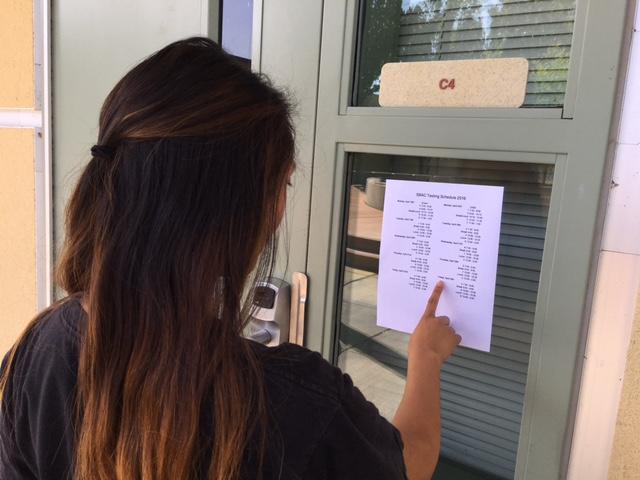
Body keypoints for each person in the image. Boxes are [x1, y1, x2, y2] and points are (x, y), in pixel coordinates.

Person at [0, 37, 460, 480]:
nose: (281, 204)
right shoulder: (297, 406)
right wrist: (425, 356)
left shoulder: (37, 348)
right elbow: (410, 460)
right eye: (284, 184)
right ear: (237, 211)